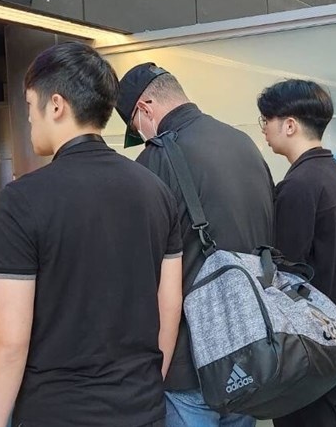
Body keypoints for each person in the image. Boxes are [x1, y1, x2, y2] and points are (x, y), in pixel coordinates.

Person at [0, 43, 183, 427]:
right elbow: (168, 306)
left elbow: (9, 341)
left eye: (29, 107)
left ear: (56, 105)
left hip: (57, 413)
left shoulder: (20, 201)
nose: (29, 121)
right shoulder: (155, 190)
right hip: (142, 410)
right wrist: (144, 389)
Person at [116, 63, 274, 427]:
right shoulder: (244, 144)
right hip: (249, 354)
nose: (140, 135)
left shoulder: (156, 159)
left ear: (145, 107)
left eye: (135, 127)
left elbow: (139, 271)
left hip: (190, 365)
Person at [257, 79, 336, 427]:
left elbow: (284, 277)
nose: (263, 129)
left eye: (266, 120)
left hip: (313, 353)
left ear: (289, 125)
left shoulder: (299, 186)